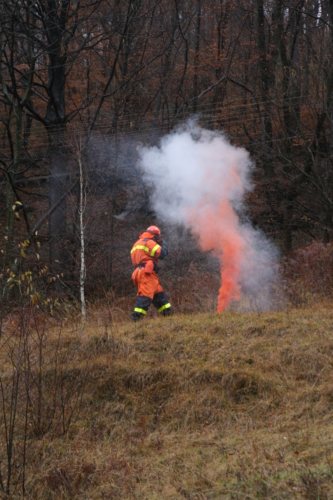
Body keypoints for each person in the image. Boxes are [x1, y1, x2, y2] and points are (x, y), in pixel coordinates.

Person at [130, 225, 173, 321]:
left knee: (159, 296)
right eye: (158, 237)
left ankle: (169, 314)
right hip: (146, 274)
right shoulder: (149, 242)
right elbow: (162, 254)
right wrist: (164, 245)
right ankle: (135, 320)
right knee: (145, 297)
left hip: (141, 272)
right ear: (154, 236)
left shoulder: (137, 243)